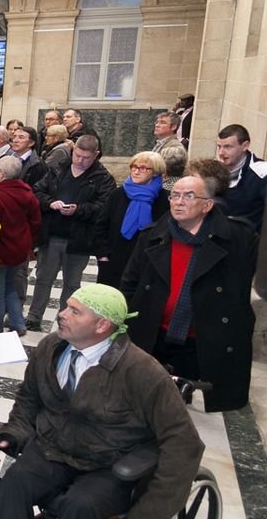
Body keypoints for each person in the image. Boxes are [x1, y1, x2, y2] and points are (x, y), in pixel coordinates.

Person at [0, 285, 204, 519]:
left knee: (79, 505)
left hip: (108, 466)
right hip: (53, 451)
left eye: (74, 311)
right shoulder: (50, 349)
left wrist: (150, 513)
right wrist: (12, 433)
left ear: (102, 325)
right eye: (65, 306)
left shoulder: (143, 372)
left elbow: (184, 444)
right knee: (14, 483)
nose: (61, 315)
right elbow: (29, 399)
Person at [122, 175, 256, 412]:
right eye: (174, 195)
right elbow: (130, 282)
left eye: (189, 196)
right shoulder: (152, 236)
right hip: (155, 336)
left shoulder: (237, 239)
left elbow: (243, 290)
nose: (179, 201)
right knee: (142, 403)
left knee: (182, 412)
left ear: (207, 205)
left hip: (201, 340)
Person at [26, 135, 115, 331]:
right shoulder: (58, 169)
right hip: (52, 234)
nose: (80, 160)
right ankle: (34, 316)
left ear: (96, 155)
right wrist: (51, 202)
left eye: (86, 157)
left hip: (79, 239)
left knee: (72, 283)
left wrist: (79, 209)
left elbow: (103, 207)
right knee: (43, 278)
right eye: (77, 155)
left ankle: (66, 320)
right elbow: (36, 192)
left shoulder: (103, 177)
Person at [95, 151, 169, 288]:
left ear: (155, 172)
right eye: (134, 167)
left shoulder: (165, 200)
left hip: (147, 264)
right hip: (114, 262)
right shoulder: (118, 194)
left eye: (142, 168)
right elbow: (101, 226)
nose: (136, 171)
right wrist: (102, 256)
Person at [0, 157, 42, 334]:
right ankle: (18, 324)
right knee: (11, 287)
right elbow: (35, 223)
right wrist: (28, 244)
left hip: (3, 251)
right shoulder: (28, 194)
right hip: (20, 250)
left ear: (2, 174)